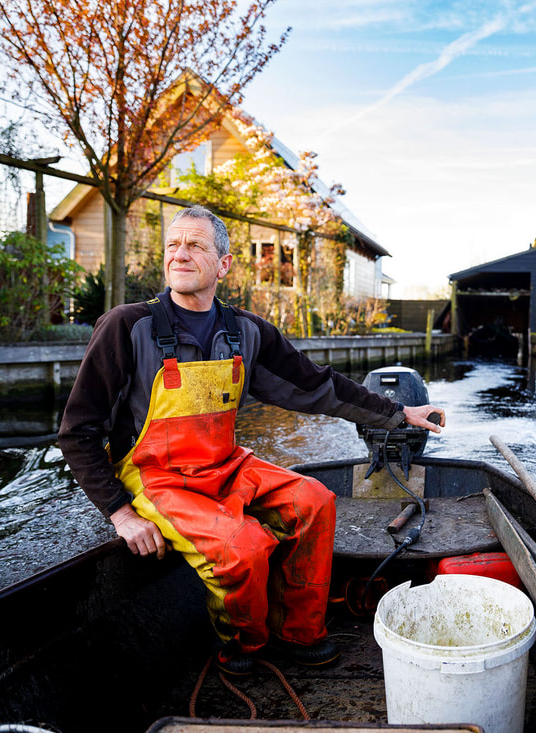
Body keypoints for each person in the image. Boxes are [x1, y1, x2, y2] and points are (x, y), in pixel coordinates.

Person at [58, 205, 445, 675]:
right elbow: (77, 431)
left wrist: (399, 412)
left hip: (224, 464)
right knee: (242, 546)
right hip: (155, 477)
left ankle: (299, 632)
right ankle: (242, 644)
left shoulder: (245, 331)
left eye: (196, 245)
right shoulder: (126, 326)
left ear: (223, 264)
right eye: (173, 245)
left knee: (315, 500)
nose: (180, 254)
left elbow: (316, 385)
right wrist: (120, 513)